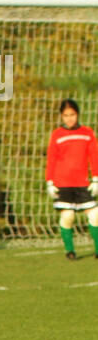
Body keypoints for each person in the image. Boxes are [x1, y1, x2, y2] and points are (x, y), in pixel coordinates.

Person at [45, 99, 98, 260]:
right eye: (66, 115)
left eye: (72, 114)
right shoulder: (57, 135)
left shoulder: (87, 133)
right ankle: (70, 251)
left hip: (83, 184)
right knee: (68, 217)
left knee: (95, 215)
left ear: (78, 114)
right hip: (63, 184)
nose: (69, 118)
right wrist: (49, 182)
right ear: (61, 116)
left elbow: (94, 156)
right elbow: (51, 159)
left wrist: (96, 178)